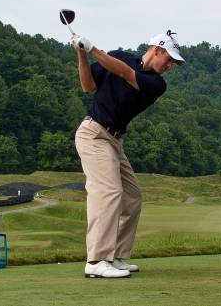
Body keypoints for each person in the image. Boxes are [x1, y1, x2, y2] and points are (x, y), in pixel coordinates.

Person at [72, 30, 185, 278]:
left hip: (113, 140)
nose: (170, 66)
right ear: (156, 49)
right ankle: (96, 260)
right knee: (109, 192)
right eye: (169, 59)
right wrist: (81, 55)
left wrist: (93, 49)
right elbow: (87, 85)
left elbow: (124, 73)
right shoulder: (120, 56)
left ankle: (116, 256)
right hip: (93, 134)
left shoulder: (156, 83)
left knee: (132, 197)